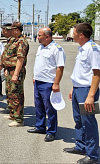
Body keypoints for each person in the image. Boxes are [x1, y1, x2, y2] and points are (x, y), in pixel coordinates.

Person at [63, 23, 100, 164]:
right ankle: (81, 146)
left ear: (81, 35)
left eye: (74, 32)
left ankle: (93, 156)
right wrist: (74, 87)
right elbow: (82, 72)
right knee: (78, 120)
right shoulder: (82, 48)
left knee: (88, 122)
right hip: (79, 88)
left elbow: (97, 73)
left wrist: (91, 95)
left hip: (86, 90)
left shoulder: (93, 49)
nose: (72, 34)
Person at [28, 27, 65, 142]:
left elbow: (60, 67)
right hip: (38, 81)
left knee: (50, 108)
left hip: (49, 83)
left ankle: (51, 132)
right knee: (39, 106)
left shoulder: (56, 49)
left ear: (47, 37)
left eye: (39, 36)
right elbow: (39, 63)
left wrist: (56, 83)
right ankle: (40, 126)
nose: (37, 37)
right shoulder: (41, 47)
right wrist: (35, 76)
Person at [0, 21, 29, 127]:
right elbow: (7, 55)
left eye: (11, 30)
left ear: (16, 30)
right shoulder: (13, 40)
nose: (9, 31)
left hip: (16, 71)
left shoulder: (22, 42)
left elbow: (20, 59)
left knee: (17, 95)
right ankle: (12, 114)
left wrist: (16, 74)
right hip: (9, 70)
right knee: (10, 93)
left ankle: (19, 119)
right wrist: (5, 66)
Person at [0, 23, 14, 114]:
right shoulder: (10, 41)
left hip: (13, 70)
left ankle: (15, 110)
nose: (3, 33)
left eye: (4, 31)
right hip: (8, 69)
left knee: (14, 91)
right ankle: (10, 106)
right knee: (9, 89)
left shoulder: (15, 41)